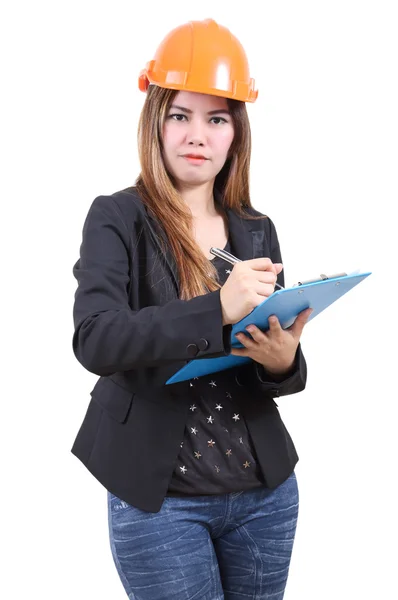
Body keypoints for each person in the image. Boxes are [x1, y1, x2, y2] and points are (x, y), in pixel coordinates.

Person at [71, 18, 312, 600]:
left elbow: (271, 363)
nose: (196, 135)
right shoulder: (117, 218)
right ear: (156, 122)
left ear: (236, 133)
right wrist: (216, 308)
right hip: (160, 501)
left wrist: (282, 361)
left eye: (216, 118)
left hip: (264, 496)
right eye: (180, 115)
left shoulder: (256, 230)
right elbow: (96, 339)